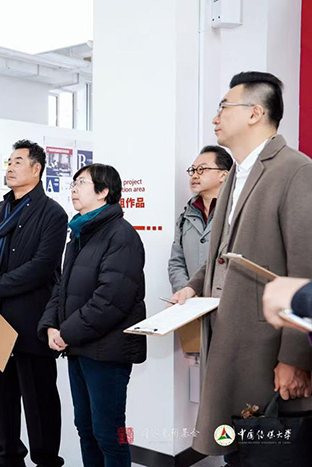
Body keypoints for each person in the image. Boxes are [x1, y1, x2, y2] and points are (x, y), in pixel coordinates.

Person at [170, 72, 312, 464]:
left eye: (223, 107)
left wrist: (295, 358)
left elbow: (305, 269)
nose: (215, 118)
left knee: (269, 455)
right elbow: (225, 251)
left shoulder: (295, 170)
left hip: (267, 353)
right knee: (238, 453)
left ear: (254, 113)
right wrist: (194, 285)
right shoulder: (236, 173)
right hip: (228, 343)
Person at [38, 163, 146, 466]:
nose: (73, 189)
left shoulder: (121, 236)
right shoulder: (79, 233)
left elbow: (111, 300)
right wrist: (50, 325)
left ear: (103, 192)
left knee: (110, 433)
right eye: (73, 184)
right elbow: (62, 287)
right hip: (79, 347)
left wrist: (66, 332)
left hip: (107, 352)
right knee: (85, 428)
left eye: (81, 183)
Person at [0, 140, 67, 467]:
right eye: (9, 162)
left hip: (32, 318)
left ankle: (46, 458)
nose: (10, 167)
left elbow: (41, 267)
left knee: (39, 398)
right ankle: (8, 455)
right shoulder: (0, 210)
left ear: (36, 169)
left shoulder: (53, 213)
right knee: (1, 396)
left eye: (17, 161)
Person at [168, 145, 233, 292]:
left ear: (223, 175)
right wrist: (186, 292)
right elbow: (176, 262)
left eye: (202, 169)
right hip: (191, 300)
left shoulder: (235, 213)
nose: (195, 175)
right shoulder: (185, 217)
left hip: (224, 299)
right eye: (193, 170)